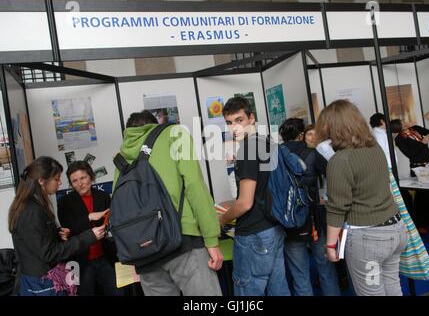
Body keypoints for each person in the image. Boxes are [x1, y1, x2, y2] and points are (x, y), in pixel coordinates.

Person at [114, 110, 223, 296]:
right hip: (183, 241)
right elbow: (194, 186)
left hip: (144, 255)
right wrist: (212, 240)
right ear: (154, 125)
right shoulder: (174, 134)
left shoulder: (120, 159)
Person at [316, 100, 407, 296]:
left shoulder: (340, 161)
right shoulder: (375, 148)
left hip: (369, 239)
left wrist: (331, 245)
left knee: (372, 292)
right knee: (392, 285)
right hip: (396, 229)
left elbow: (337, 208)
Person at [220, 97, 290, 296]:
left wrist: (223, 219)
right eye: (229, 122)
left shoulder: (248, 149)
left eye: (239, 120)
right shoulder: (267, 142)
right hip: (275, 226)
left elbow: (244, 203)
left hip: (255, 233)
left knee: (247, 292)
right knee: (279, 288)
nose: (234, 128)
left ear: (251, 118)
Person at [8, 156, 104, 296]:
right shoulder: (31, 211)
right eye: (57, 179)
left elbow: (38, 240)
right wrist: (89, 236)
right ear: (42, 181)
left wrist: (57, 233)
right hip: (41, 283)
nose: (59, 183)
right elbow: (49, 254)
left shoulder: (34, 205)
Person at [280, 119, 340, 296]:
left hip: (289, 221)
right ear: (301, 134)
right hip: (316, 218)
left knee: (300, 274)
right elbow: (334, 179)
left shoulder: (276, 155)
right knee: (326, 269)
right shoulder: (314, 153)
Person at [57, 161, 123, 296]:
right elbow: (68, 231)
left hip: (106, 257)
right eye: (74, 181)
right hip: (80, 261)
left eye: (83, 178)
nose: (80, 183)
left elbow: (113, 224)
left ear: (91, 177)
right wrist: (89, 217)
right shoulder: (65, 202)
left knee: (118, 292)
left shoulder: (103, 196)